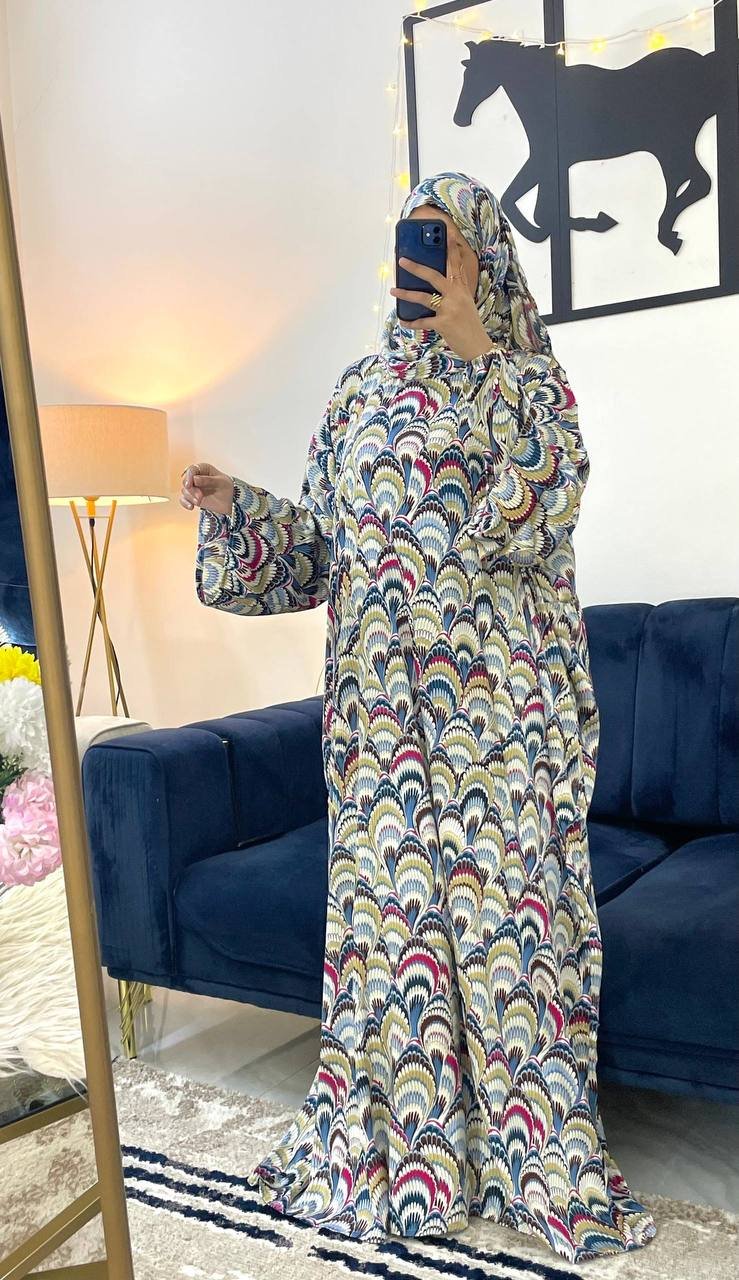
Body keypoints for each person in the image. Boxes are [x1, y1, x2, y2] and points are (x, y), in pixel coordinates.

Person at [180, 171, 657, 1261]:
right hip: (380, 723)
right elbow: (320, 554)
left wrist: (482, 353)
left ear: (485, 259)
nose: (424, 262)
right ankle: (415, 1149)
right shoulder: (357, 395)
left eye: (447, 243)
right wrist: (239, 510)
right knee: (394, 933)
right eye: (412, 241)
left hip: (500, 713)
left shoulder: (527, 382)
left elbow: (544, 497)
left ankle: (531, 1153)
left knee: (510, 930)